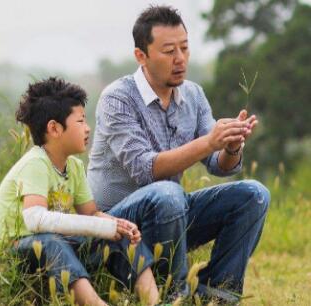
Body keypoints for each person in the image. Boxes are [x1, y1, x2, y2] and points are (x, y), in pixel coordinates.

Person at [87, 5, 270, 303]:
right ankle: (175, 294)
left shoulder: (193, 95)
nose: (180, 59)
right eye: (169, 51)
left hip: (170, 214)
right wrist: (210, 141)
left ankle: (217, 293)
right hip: (116, 227)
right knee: (168, 193)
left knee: (254, 194)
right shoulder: (117, 99)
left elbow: (219, 166)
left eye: (184, 48)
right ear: (141, 56)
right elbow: (144, 169)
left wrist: (231, 145)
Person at [0, 77, 161, 306]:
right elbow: (35, 220)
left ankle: (155, 301)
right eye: (80, 121)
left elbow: (90, 214)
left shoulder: (74, 166)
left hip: (53, 246)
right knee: (50, 242)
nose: (87, 129)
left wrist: (117, 224)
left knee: (118, 238)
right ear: (54, 128)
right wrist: (100, 226)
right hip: (11, 255)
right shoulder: (35, 164)